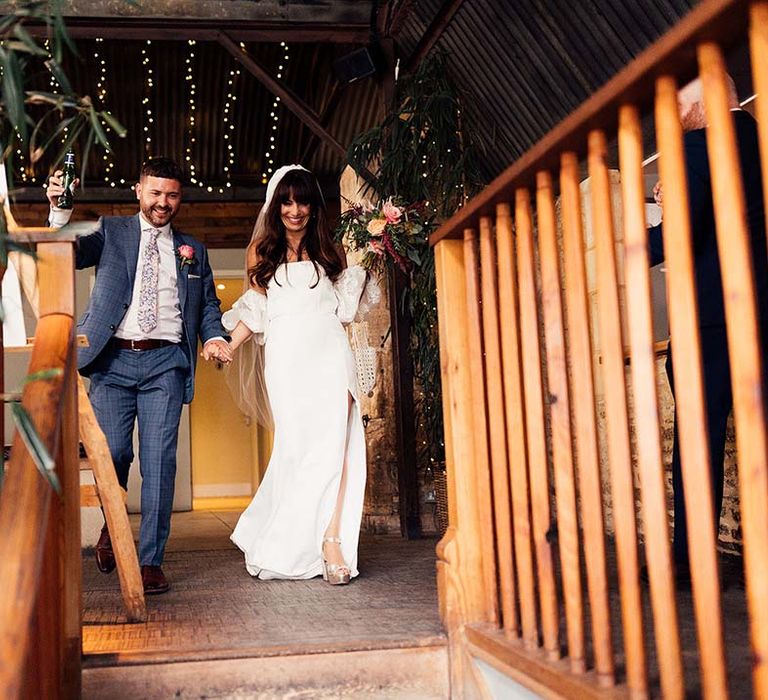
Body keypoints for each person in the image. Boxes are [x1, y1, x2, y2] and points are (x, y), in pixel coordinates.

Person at [46, 157, 231, 594]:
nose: (163, 202)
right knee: (112, 456)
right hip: (111, 361)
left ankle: (149, 561)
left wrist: (215, 337)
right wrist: (59, 211)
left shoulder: (193, 250)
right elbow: (67, 253)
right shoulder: (110, 231)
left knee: (160, 463)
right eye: (155, 193)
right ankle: (113, 529)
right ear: (138, 190)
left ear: (179, 198)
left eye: (171, 195)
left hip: (165, 363)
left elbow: (206, 306)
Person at [222, 165, 375, 584]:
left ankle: (331, 540)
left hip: (330, 355)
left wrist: (365, 263)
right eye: (287, 201)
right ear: (275, 205)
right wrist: (228, 344)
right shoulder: (260, 251)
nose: (295, 209)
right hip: (287, 362)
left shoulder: (331, 250)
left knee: (337, 446)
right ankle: (283, 539)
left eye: (303, 200)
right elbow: (256, 311)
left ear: (313, 205)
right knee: (296, 449)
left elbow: (344, 311)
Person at [647, 77, 768, 585]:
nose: (672, 117)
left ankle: (691, 562)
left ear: (702, 102)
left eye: (677, 106)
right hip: (759, 312)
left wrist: (646, 227)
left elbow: (675, 236)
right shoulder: (758, 143)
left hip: (710, 320)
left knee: (699, 439)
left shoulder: (698, 146)